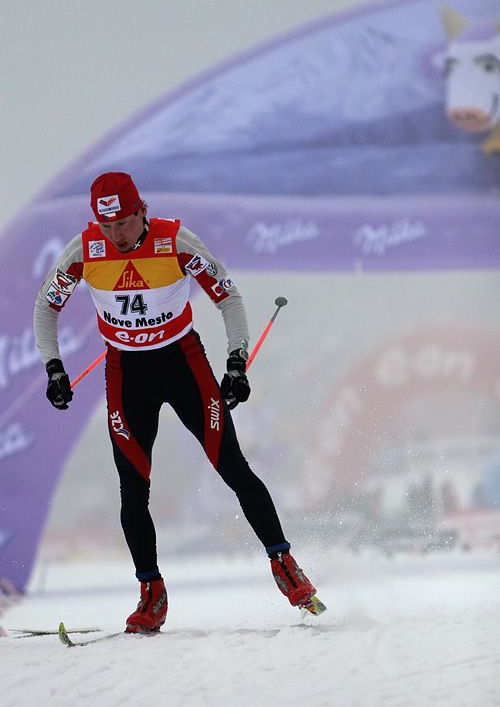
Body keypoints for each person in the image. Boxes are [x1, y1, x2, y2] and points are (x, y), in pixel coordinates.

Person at [34, 172, 324, 632]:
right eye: (106, 226)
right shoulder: (84, 251)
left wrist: (236, 363)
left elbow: (227, 296)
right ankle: (151, 592)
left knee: (233, 468)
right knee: (133, 492)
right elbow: (46, 307)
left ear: (141, 210)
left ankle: (285, 564)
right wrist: (53, 367)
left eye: (124, 224)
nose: (116, 236)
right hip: (126, 374)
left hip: (182, 365)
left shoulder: (176, 242)